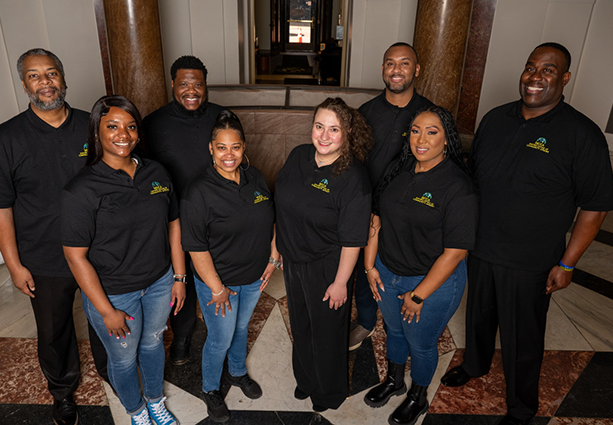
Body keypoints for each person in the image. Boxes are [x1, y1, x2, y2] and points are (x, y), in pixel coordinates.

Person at [440, 42, 613, 425]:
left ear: (565, 78)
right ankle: (475, 364)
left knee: (523, 337)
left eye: (548, 70)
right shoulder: (495, 118)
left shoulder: (581, 135)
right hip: (481, 247)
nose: (536, 76)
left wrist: (567, 262)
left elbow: (596, 206)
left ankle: (522, 406)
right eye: (531, 67)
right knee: (479, 318)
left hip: (531, 260)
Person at [0, 48, 108, 425]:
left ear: (63, 78)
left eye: (51, 74)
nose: (45, 82)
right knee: (54, 332)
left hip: (99, 250)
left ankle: (113, 374)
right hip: (44, 256)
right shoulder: (5, 138)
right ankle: (63, 392)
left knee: (107, 317)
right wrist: (15, 265)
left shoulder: (94, 126)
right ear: (24, 85)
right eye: (35, 76)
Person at [61, 95, 185, 425]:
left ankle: (155, 400)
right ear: (97, 132)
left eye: (131, 127)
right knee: (124, 358)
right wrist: (106, 310)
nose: (123, 134)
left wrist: (179, 277)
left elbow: (173, 225)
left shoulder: (157, 172)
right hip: (116, 293)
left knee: (154, 343)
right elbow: (75, 257)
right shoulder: (82, 190)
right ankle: (136, 410)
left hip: (159, 282)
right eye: (112, 126)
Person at [363, 106, 478, 425]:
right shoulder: (398, 169)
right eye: (415, 130)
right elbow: (376, 218)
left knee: (421, 343)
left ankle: (418, 396)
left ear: (447, 139)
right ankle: (394, 381)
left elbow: (455, 253)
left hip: (431, 284)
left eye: (432, 131)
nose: (421, 139)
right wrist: (370, 265)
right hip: (387, 271)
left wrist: (418, 296)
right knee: (394, 332)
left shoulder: (458, 187)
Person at [275, 97, 373, 411]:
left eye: (334, 129)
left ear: (347, 134)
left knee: (328, 333)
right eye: (319, 126)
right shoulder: (299, 155)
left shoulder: (353, 178)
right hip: (293, 260)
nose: (324, 135)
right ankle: (306, 380)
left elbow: (353, 240)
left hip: (328, 266)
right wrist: (277, 244)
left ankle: (328, 393)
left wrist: (341, 282)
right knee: (302, 325)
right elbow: (283, 205)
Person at [181, 110, 278, 423]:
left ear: (244, 147)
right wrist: (217, 289)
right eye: (221, 147)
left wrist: (274, 257)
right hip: (218, 283)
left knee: (240, 329)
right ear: (211, 148)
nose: (229, 154)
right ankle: (210, 389)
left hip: (252, 278)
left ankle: (237, 372)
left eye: (235, 147)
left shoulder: (256, 177)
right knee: (220, 337)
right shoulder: (198, 192)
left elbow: (272, 219)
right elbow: (195, 248)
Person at [350, 42, 433, 351]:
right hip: (368, 207)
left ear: (417, 70)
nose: (396, 70)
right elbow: (352, 161)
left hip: (407, 211)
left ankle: (400, 324)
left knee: (399, 265)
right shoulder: (366, 113)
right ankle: (367, 322)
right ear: (383, 68)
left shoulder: (429, 114)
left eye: (404, 63)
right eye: (390, 63)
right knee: (364, 268)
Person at [143, 55, 226, 365]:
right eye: (184, 84)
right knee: (183, 279)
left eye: (198, 84)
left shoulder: (223, 116)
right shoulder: (153, 123)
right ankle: (182, 335)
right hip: (175, 216)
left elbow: (236, 160)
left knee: (218, 271)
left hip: (217, 212)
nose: (192, 90)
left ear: (206, 86)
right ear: (173, 85)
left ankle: (222, 330)